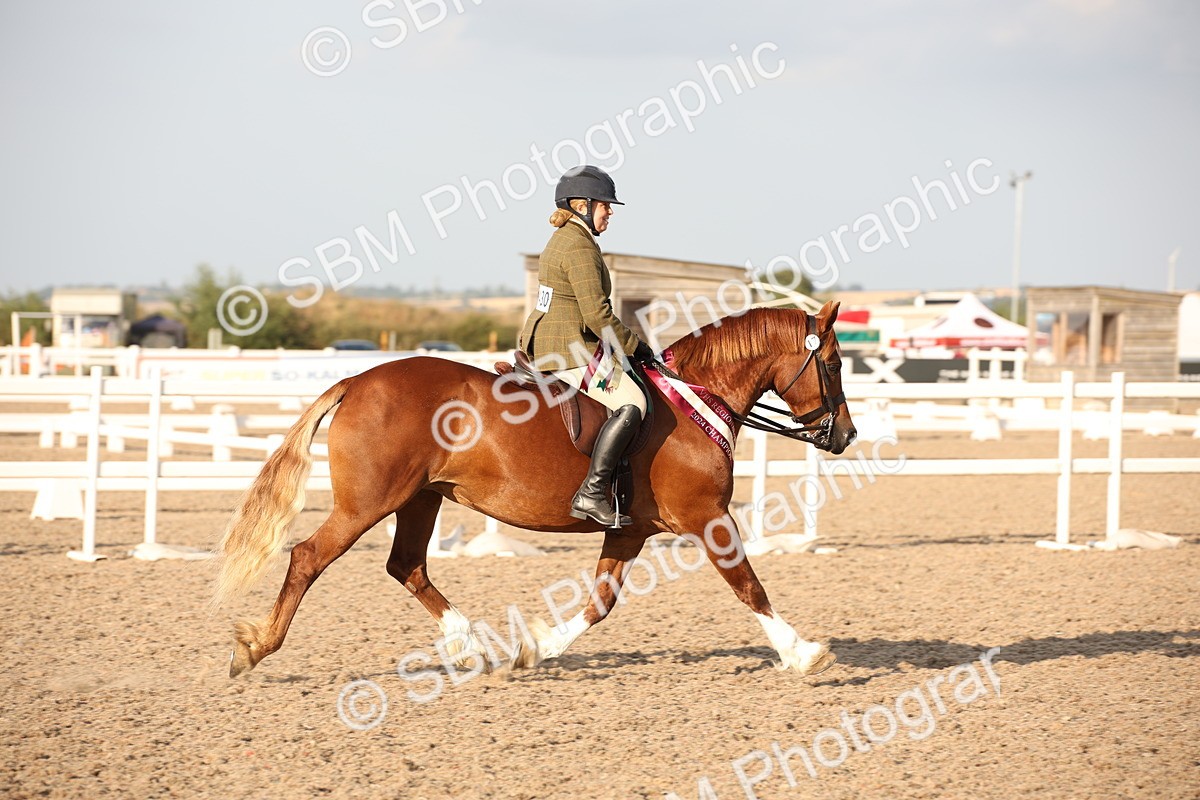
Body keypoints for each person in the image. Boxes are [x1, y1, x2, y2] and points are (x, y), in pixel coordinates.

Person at [519, 165, 656, 528]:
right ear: (582, 205)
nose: (609, 211)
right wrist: (634, 345)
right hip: (568, 347)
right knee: (634, 401)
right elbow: (596, 314)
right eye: (604, 205)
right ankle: (592, 492)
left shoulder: (565, 238)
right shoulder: (579, 246)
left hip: (551, 339)